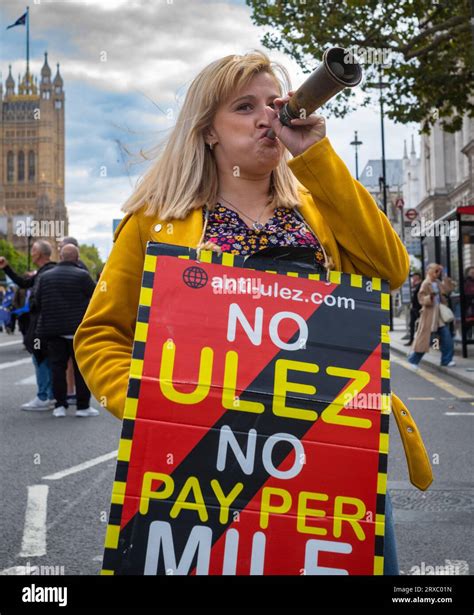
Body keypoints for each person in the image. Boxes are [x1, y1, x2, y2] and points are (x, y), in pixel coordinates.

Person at [75, 51, 418, 575]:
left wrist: (317, 156)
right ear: (208, 131)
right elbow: (101, 335)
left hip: (323, 451)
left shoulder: (319, 208)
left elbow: (391, 269)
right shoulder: (155, 222)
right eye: (244, 106)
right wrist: (153, 409)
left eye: (273, 104)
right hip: (203, 461)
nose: (267, 117)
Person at [35, 244, 98, 418]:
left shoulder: (46, 277)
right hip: (77, 330)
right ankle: (83, 406)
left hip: (54, 331)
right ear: (77, 259)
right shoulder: (82, 276)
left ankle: (59, 406)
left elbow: (37, 301)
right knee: (80, 369)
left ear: (61, 257)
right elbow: (96, 299)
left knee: (57, 368)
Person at [0, 242, 56, 410]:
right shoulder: (44, 271)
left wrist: (31, 307)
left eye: (33, 250)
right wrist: (7, 268)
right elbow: (24, 283)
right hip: (45, 323)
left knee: (39, 356)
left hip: (42, 324)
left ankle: (43, 396)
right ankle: (50, 395)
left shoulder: (47, 272)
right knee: (44, 357)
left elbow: (40, 298)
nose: (31, 253)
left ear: (39, 254)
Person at [58, 236, 90, 406]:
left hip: (72, 324)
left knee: (73, 363)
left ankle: (72, 394)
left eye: (61, 247)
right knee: (68, 363)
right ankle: (71, 393)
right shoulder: (80, 270)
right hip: (71, 323)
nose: (59, 251)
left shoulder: (80, 270)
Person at [407, 263, 455, 369]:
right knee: (425, 340)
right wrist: (430, 297)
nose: (437, 273)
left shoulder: (438, 282)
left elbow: (449, 289)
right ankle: (413, 360)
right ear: (429, 271)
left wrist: (445, 276)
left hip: (439, 316)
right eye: (435, 271)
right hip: (429, 315)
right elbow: (421, 299)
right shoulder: (425, 283)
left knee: (447, 338)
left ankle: (446, 360)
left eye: (438, 271)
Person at [403, 272, 422, 346]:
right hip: (413, 308)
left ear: (418, 277)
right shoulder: (414, 285)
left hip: (419, 308)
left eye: (414, 276)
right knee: (411, 324)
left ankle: (420, 341)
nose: (413, 278)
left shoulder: (421, 284)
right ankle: (411, 340)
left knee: (419, 325)